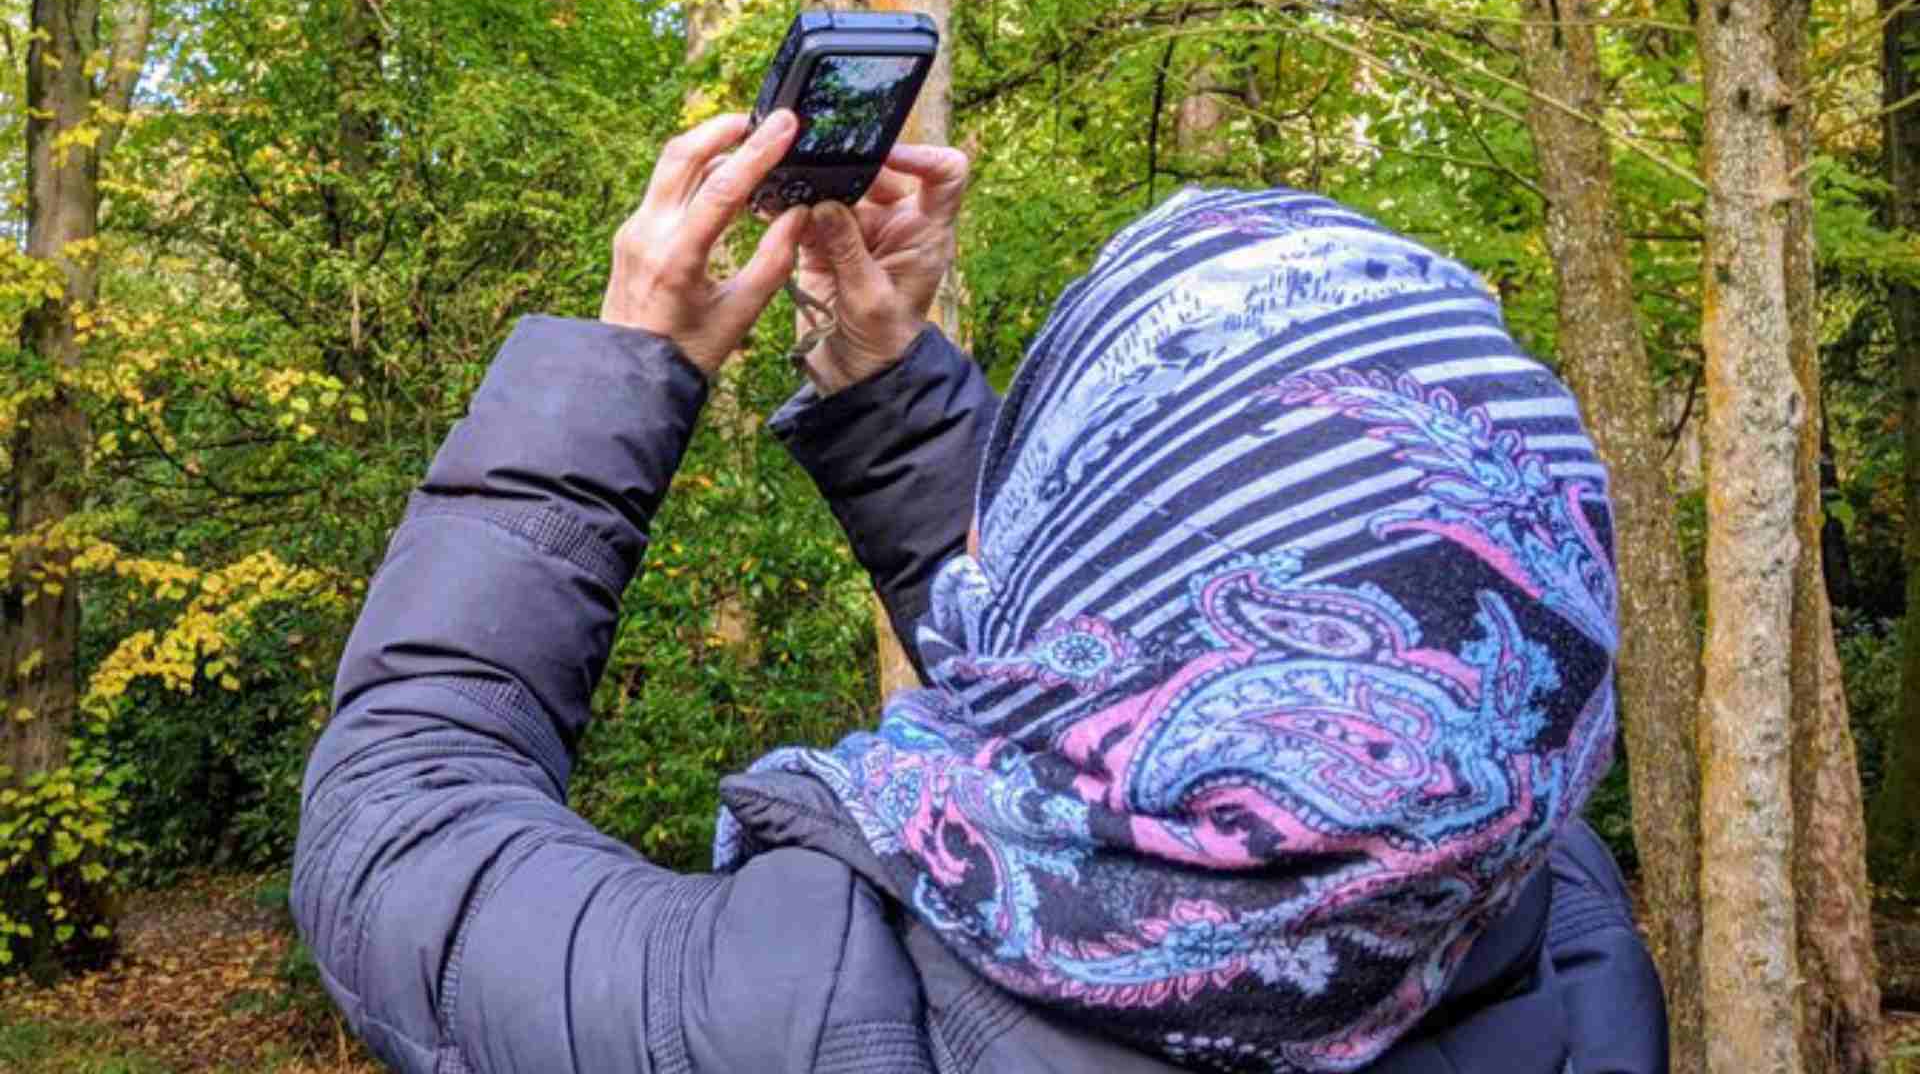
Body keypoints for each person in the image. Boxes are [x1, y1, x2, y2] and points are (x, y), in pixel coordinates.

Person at [291, 109, 1668, 1074]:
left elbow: (400, 817)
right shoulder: (1547, 919)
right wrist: (892, 399)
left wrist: (626, 362)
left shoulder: (816, 1004)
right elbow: (1127, 675)